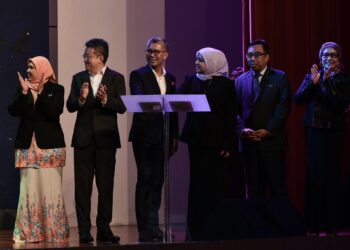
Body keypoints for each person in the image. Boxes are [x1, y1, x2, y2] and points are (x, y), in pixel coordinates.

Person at [66, 38, 126, 243]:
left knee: (105, 186)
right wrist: (81, 98)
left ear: (100, 57)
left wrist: (105, 100)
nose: (84, 59)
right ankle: (84, 230)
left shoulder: (116, 78)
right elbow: (70, 105)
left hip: (106, 141)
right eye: (85, 55)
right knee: (82, 188)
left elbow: (122, 106)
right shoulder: (78, 78)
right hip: (83, 141)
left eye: (88, 55)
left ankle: (104, 229)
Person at [177, 47, 238, 240]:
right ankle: (195, 228)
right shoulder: (191, 80)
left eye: (201, 60)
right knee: (197, 184)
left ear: (213, 62)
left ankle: (216, 227)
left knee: (216, 185)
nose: (196, 63)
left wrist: (229, 144)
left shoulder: (226, 85)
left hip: (217, 143)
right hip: (196, 141)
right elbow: (177, 99)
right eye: (196, 59)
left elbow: (230, 116)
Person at [8, 56, 69, 243]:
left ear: (43, 69)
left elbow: (53, 112)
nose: (28, 70)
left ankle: (53, 232)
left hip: (50, 149)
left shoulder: (56, 89)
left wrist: (41, 93)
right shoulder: (23, 88)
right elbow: (13, 110)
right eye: (27, 67)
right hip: (28, 148)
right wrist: (25, 94)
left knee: (50, 190)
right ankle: (29, 232)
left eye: (32, 67)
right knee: (29, 191)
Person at [294, 42, 350, 236]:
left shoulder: (343, 79)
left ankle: (332, 225)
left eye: (333, 55)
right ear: (320, 58)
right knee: (314, 177)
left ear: (339, 58)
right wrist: (314, 83)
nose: (329, 58)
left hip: (333, 132)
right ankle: (313, 225)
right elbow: (298, 99)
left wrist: (325, 85)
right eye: (325, 55)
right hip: (314, 132)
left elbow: (339, 103)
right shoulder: (311, 77)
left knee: (332, 177)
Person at [128, 36, 178, 242]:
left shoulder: (171, 78)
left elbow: (174, 110)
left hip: (164, 138)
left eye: (157, 51)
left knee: (158, 182)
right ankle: (144, 229)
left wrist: (174, 136)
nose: (152, 55)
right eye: (149, 51)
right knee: (145, 181)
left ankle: (154, 225)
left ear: (165, 54)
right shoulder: (138, 75)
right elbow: (140, 101)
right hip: (144, 137)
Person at [235, 39, 291, 199]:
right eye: (249, 55)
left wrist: (268, 130)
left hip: (272, 143)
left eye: (257, 55)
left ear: (267, 57)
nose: (252, 59)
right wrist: (242, 130)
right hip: (249, 143)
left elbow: (283, 109)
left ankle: (279, 223)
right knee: (254, 190)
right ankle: (256, 224)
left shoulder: (280, 78)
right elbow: (234, 111)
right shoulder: (241, 80)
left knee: (277, 189)